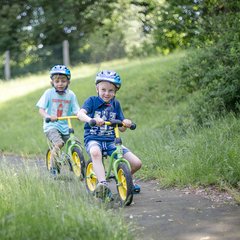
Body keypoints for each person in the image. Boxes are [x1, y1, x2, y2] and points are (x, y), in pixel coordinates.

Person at [77, 70, 142, 198]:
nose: (107, 93)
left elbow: (121, 128)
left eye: (111, 90)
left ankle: (125, 180)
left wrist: (125, 123)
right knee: (95, 153)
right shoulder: (92, 101)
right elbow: (80, 114)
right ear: (97, 88)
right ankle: (103, 185)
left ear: (115, 91)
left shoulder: (115, 104)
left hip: (111, 141)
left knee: (136, 163)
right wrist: (92, 120)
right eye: (103, 89)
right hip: (93, 139)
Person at [36, 65, 80, 177]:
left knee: (75, 143)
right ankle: (53, 166)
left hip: (65, 125)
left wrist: (81, 116)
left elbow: (77, 110)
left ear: (68, 82)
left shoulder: (71, 95)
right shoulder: (48, 93)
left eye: (63, 81)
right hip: (51, 125)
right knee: (59, 143)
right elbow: (41, 109)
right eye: (57, 81)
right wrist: (48, 116)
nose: (60, 83)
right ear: (52, 82)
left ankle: (75, 163)